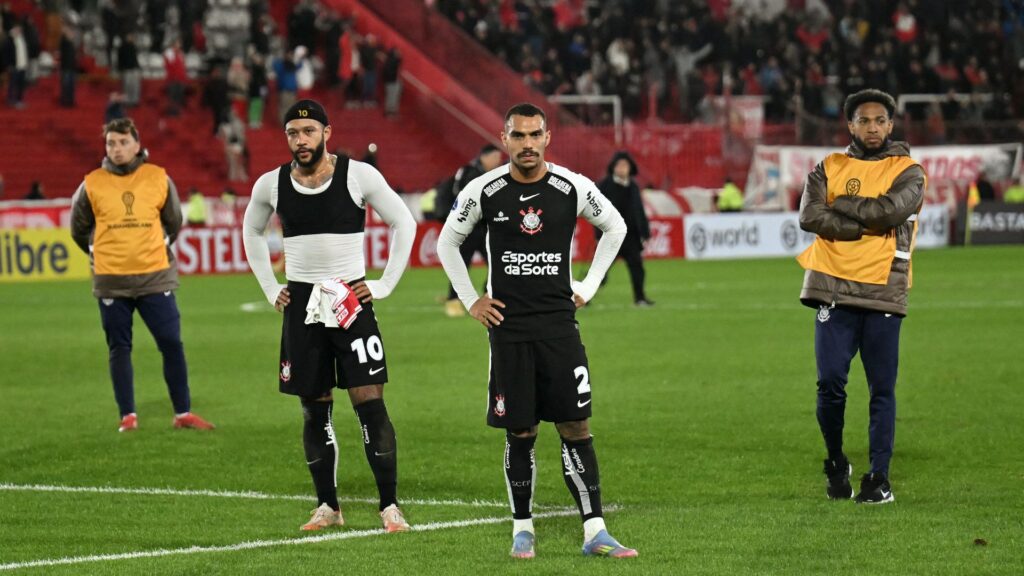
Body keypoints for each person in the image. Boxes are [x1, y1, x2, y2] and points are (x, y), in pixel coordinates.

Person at [438, 103, 638, 559]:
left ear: (548, 137)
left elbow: (615, 226)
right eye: (518, 136)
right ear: (503, 138)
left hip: (558, 325)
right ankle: (522, 528)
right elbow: (447, 241)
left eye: (535, 135)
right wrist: (471, 299)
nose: (527, 144)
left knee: (575, 424)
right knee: (521, 430)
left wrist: (588, 285)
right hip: (508, 329)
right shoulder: (483, 190)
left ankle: (595, 531)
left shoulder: (571, 187)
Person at [242, 99, 417, 533]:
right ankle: (327, 506)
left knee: (370, 403)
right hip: (302, 305)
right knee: (313, 409)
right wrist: (269, 286)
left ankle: (389, 506)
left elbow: (404, 222)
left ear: (326, 132)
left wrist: (384, 283)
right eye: (292, 133)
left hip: (350, 300)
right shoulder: (272, 183)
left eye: (308, 131)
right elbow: (251, 229)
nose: (300, 140)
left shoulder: (358, 175)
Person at [796, 89, 925, 504]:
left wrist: (843, 205)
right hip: (832, 286)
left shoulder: (909, 171)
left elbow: (890, 211)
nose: (872, 127)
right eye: (864, 121)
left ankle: (879, 478)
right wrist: (859, 225)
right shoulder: (828, 166)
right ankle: (836, 460)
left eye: (880, 120)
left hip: (884, 288)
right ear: (850, 125)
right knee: (830, 384)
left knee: (881, 388)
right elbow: (809, 216)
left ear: (891, 125)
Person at [70, 118, 215, 433]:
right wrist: (101, 253)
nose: (117, 149)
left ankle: (183, 414)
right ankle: (128, 417)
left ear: (136, 144)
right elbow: (78, 229)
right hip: (111, 280)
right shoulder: (91, 183)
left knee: (171, 343)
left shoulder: (158, 177)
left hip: (155, 278)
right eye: (111, 143)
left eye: (123, 142)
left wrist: (152, 249)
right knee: (119, 348)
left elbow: (173, 221)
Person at [442, 143, 503, 317]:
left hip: (484, 229)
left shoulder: (490, 174)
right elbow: (461, 196)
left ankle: (489, 292)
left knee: (497, 263)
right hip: (468, 229)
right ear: (485, 156)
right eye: (495, 158)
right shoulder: (470, 172)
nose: (497, 161)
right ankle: (453, 300)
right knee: (461, 264)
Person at [596, 151, 653, 306]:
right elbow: (596, 211)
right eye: (619, 165)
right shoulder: (604, 185)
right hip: (611, 235)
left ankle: (640, 298)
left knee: (637, 268)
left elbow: (639, 210)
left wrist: (645, 231)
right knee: (600, 271)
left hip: (630, 237)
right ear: (613, 167)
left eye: (625, 165)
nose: (622, 168)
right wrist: (598, 233)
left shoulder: (633, 186)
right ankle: (584, 295)